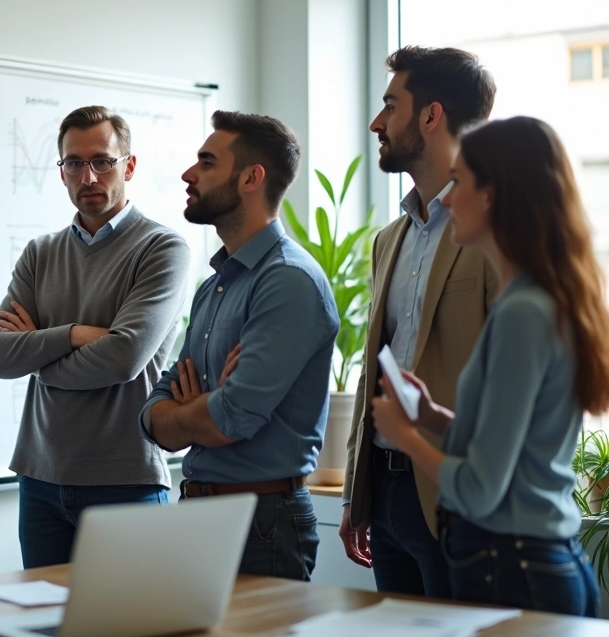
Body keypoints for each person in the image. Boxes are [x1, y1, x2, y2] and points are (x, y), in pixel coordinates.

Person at [372, 116, 608, 617]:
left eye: (461, 182)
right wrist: (432, 417)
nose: (449, 198)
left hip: (514, 569)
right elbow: (514, 451)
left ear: (493, 194)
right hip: (533, 564)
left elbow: (481, 488)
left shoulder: (524, 312)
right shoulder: (534, 300)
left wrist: (406, 438)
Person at [0, 105, 191, 569]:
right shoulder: (41, 253)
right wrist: (73, 334)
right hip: (39, 476)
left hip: (125, 479)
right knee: (47, 626)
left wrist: (35, 352)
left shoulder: (162, 248)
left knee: (125, 625)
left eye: (102, 161)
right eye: (74, 163)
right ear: (62, 171)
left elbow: (123, 357)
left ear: (128, 165)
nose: (88, 176)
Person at [142, 110, 337, 581]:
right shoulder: (216, 285)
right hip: (200, 513)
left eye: (207, 163)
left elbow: (234, 417)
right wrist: (203, 410)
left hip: (261, 520)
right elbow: (152, 414)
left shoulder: (287, 280)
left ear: (251, 177)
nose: (189, 174)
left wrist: (199, 410)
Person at [340, 46, 498, 598]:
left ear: (431, 116)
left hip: (458, 494)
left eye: (390, 105)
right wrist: (355, 495)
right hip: (383, 492)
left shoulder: (497, 231)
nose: (375, 123)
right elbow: (373, 373)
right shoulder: (390, 238)